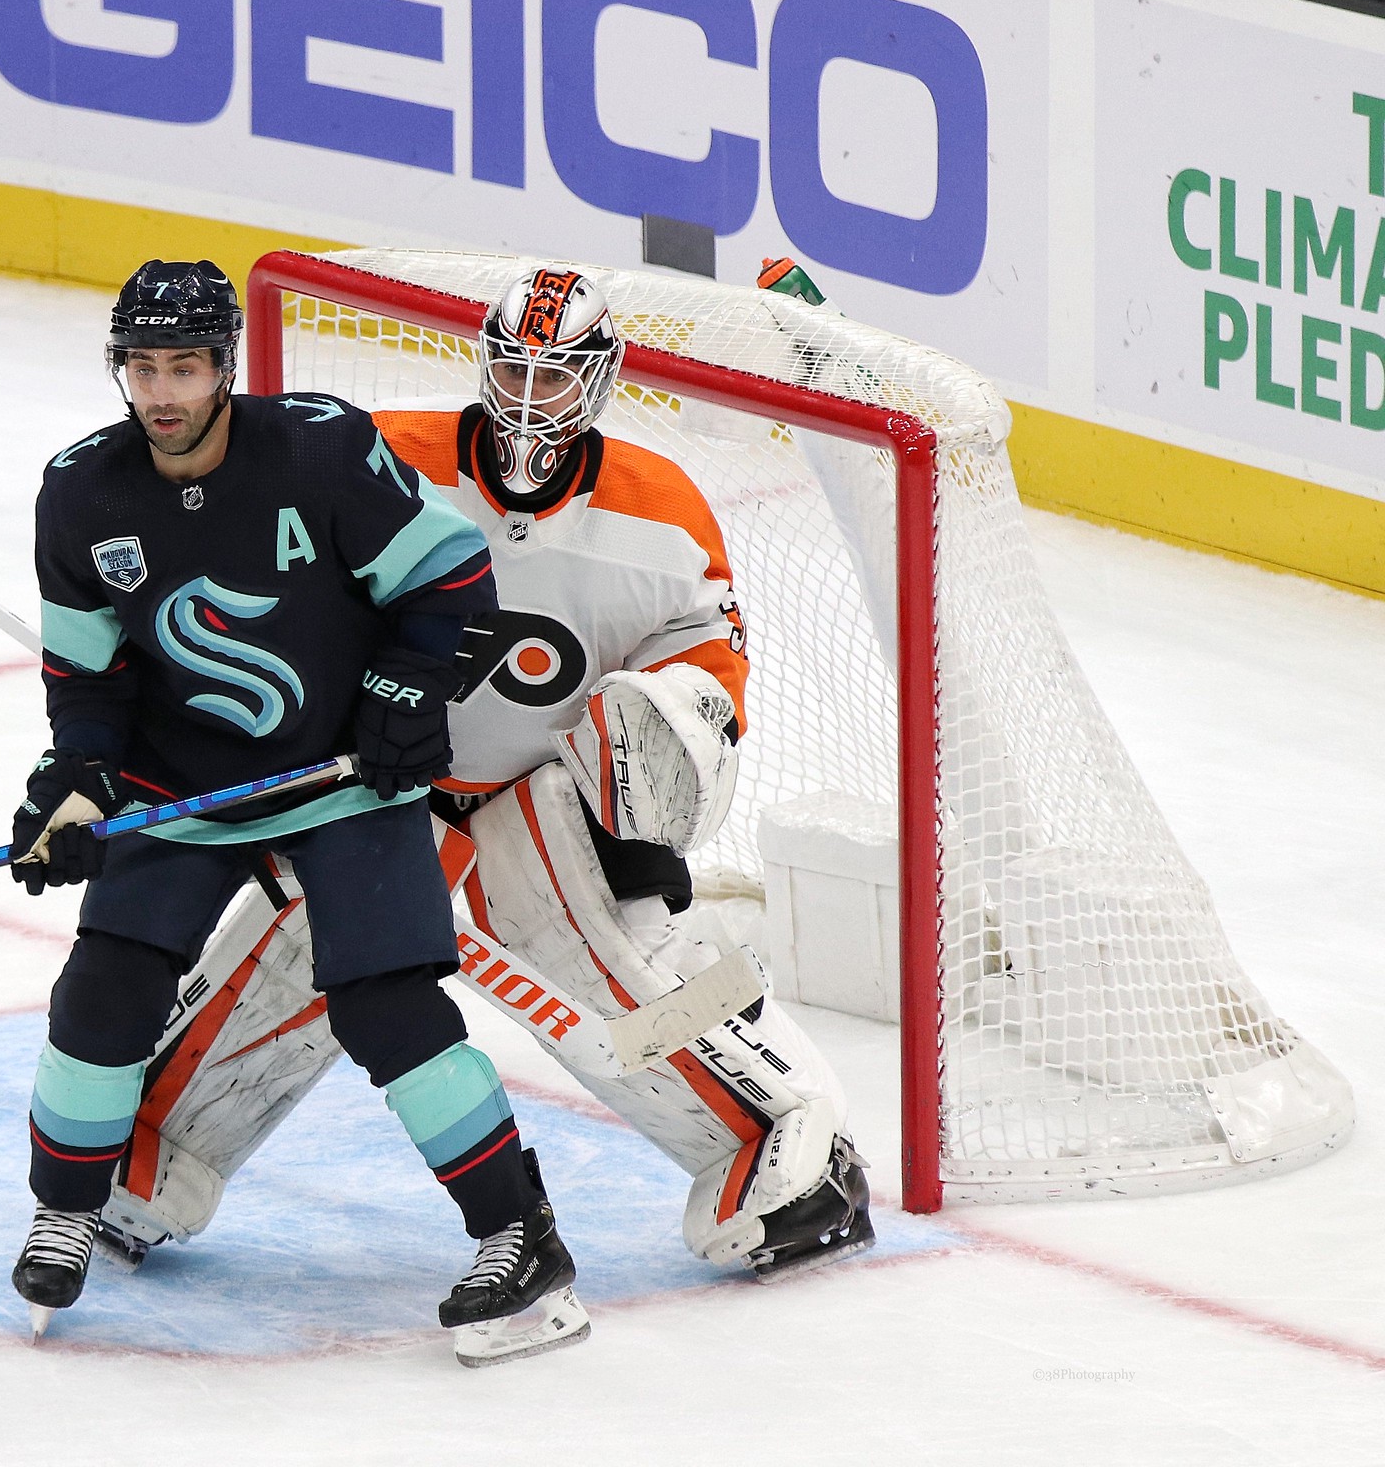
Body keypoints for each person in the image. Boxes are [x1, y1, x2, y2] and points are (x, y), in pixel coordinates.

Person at [102, 263, 875, 1285]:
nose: (525, 400)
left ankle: (787, 1146)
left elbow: (705, 662)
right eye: (510, 370)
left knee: (608, 983)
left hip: (541, 798)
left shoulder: (659, 511)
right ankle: (157, 1147)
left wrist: (652, 740)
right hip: (383, 786)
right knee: (298, 940)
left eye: (552, 379)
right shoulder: (380, 460)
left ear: (599, 383)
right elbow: (272, 581)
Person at [11, 259, 589, 1366]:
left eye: (183, 366)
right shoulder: (81, 491)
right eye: (142, 368)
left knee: (386, 1006)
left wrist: (406, 687)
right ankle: (64, 1206)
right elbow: (87, 683)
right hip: (183, 782)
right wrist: (76, 779)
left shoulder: (321, 447)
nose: (162, 392)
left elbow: (452, 581)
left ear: (225, 367)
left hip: (341, 777)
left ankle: (519, 1236)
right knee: (102, 992)